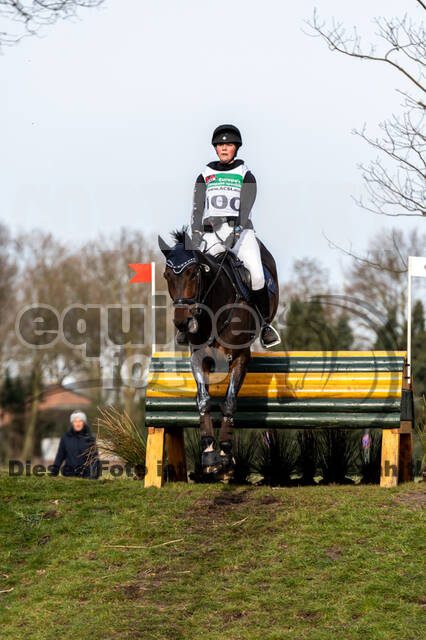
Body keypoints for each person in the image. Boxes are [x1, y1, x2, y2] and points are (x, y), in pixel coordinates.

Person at [189, 124, 280, 349]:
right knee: (196, 273)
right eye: (220, 145)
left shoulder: (245, 174)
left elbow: (246, 207)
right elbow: (197, 207)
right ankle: (193, 323)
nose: (224, 148)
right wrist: (196, 232)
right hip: (211, 232)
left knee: (257, 276)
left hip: (241, 232)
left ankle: (265, 326)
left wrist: (237, 231)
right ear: (215, 148)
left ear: (236, 148)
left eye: (228, 145)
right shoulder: (205, 174)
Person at [50, 410, 100, 479]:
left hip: (86, 477)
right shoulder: (65, 438)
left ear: (84, 423)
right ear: (72, 423)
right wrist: (53, 473)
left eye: (80, 421)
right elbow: (60, 456)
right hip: (69, 476)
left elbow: (94, 458)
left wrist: (94, 476)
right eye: (75, 421)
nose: (78, 424)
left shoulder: (90, 438)